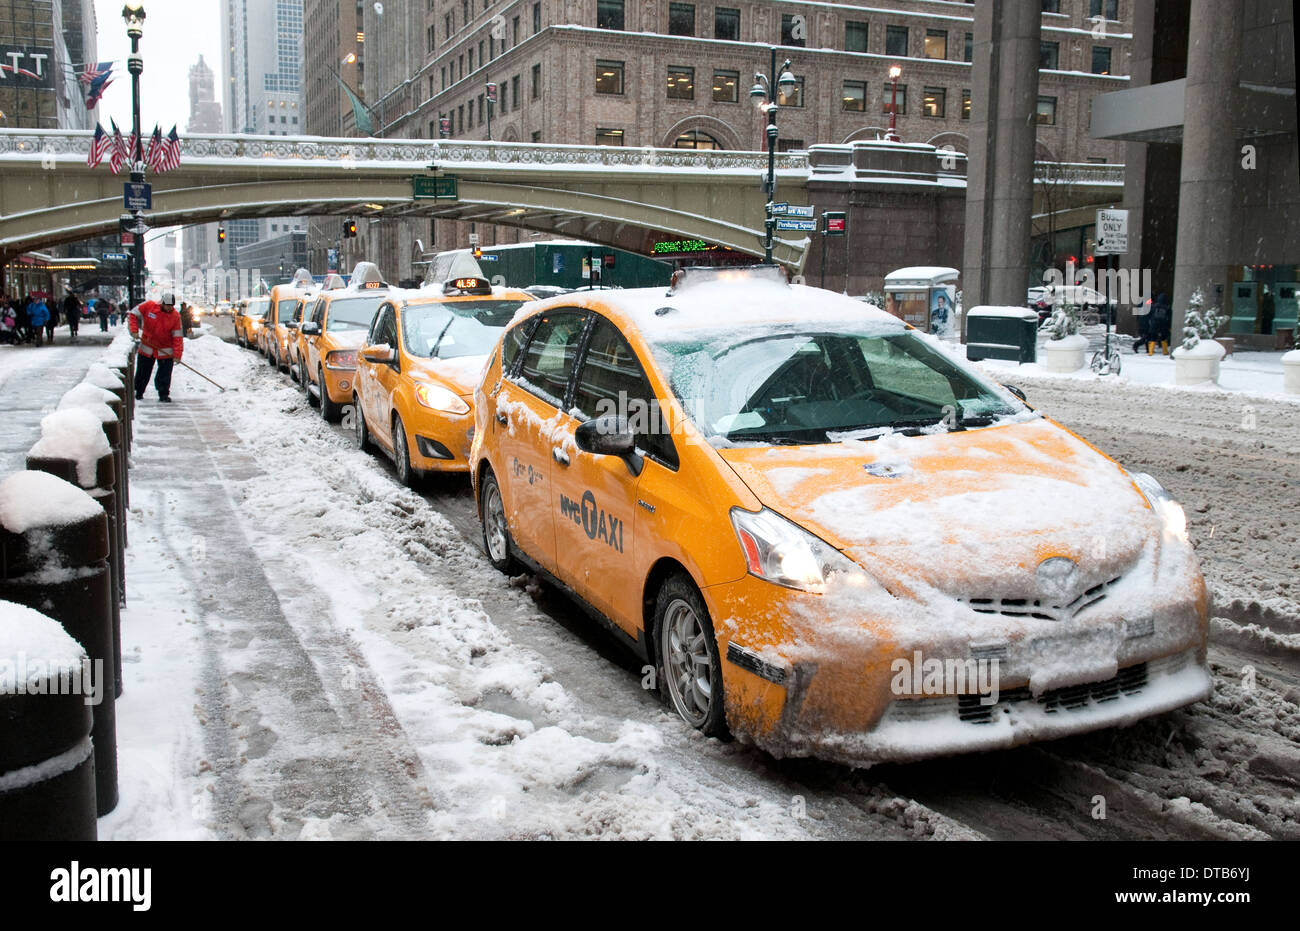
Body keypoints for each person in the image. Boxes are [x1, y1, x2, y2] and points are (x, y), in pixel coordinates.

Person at [128, 291, 184, 402]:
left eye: (171, 306)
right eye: (167, 306)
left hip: (165, 349)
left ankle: (163, 394)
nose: (169, 308)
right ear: (162, 303)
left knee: (165, 374)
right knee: (143, 372)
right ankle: (138, 392)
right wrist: (133, 330)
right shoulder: (149, 306)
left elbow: (177, 337)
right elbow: (133, 313)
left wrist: (177, 354)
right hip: (147, 346)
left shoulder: (175, 316)